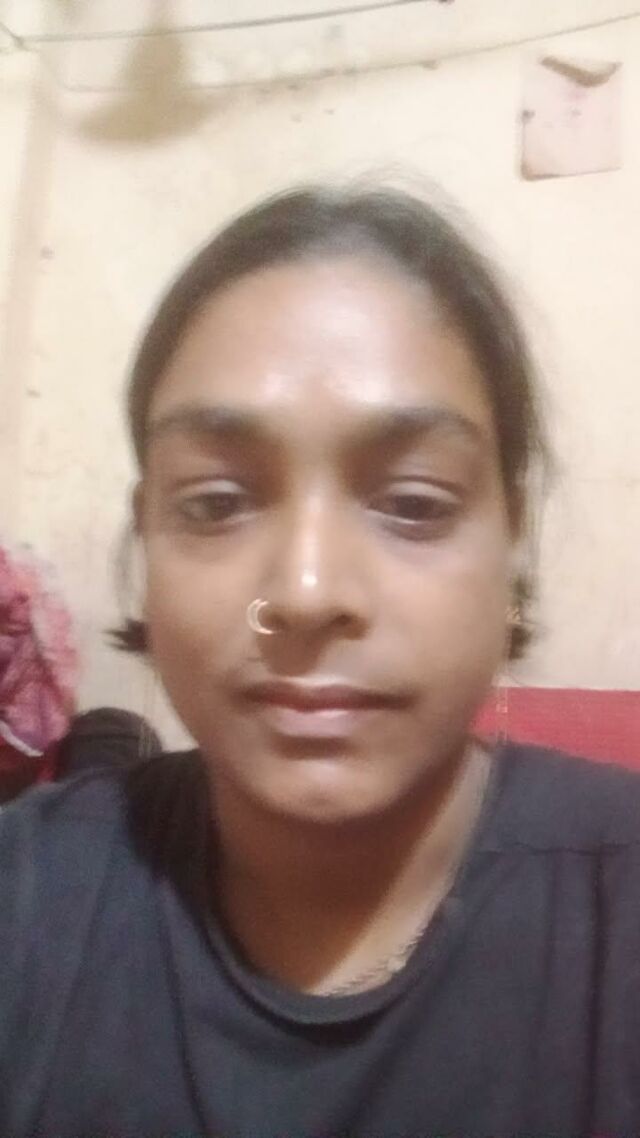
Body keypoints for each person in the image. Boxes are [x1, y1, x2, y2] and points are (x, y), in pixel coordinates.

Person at [1, 183, 639, 1138]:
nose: (304, 593)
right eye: (216, 503)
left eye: (413, 504)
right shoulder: (30, 897)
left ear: (512, 542)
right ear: (147, 546)